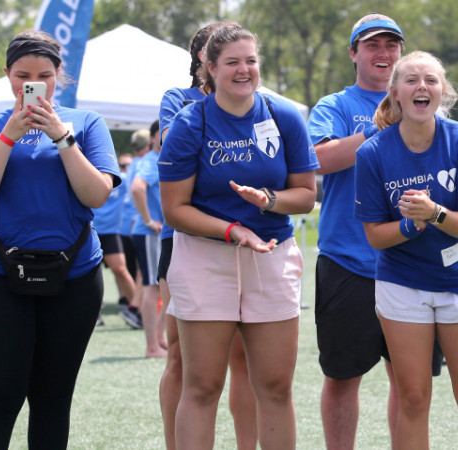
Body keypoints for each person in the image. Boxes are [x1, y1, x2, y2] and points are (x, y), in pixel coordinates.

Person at [0, 29, 120, 449]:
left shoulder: (87, 123)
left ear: (59, 74)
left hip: (75, 275)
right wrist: (8, 135)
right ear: (7, 75)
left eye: (45, 74)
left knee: (51, 399)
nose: (34, 83)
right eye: (23, 75)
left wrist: (62, 137)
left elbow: (96, 195)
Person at [159, 25, 318, 449]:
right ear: (209, 69)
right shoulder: (189, 123)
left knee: (275, 388)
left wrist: (267, 202)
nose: (244, 69)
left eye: (251, 60)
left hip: (272, 255)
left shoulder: (284, 116)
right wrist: (233, 230)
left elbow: (305, 195)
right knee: (202, 386)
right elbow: (174, 209)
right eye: (232, 62)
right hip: (204, 257)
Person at [307, 13, 443, 448]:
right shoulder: (337, 105)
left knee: (410, 382)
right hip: (349, 262)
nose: (383, 53)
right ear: (354, 54)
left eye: (391, 45)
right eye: (372, 46)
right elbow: (319, 160)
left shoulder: (422, 99)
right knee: (343, 377)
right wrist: (377, 131)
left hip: (413, 262)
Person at [354, 50, 458, 449]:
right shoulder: (371, 153)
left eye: (431, 80)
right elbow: (376, 237)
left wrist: (434, 213)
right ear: (396, 92)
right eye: (412, 80)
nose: (422, 87)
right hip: (402, 285)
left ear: (443, 92)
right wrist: (409, 224)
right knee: (413, 399)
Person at [155, 21, 258, 450]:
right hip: (184, 239)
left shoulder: (260, 105)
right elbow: (170, 149)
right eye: (222, 57)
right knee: (180, 356)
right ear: (205, 61)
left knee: (243, 359)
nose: (238, 68)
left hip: (248, 239)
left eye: (246, 59)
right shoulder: (179, 101)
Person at [131, 121, 167, 358]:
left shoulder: (157, 160)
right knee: (153, 288)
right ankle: (152, 346)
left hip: (156, 234)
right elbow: (137, 188)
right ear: (154, 137)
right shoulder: (153, 161)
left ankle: (159, 339)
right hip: (150, 233)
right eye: (163, 133)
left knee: (165, 288)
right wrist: (148, 220)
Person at [92, 151, 137, 324]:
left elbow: (139, 187)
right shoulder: (91, 176)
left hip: (111, 232)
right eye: (123, 165)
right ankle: (93, 315)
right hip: (90, 230)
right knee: (89, 274)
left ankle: (137, 309)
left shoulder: (122, 180)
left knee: (121, 270)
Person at [118, 130, 151, 330]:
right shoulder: (145, 163)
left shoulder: (135, 165)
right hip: (142, 223)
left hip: (131, 223)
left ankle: (134, 307)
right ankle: (136, 308)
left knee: (142, 272)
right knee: (146, 275)